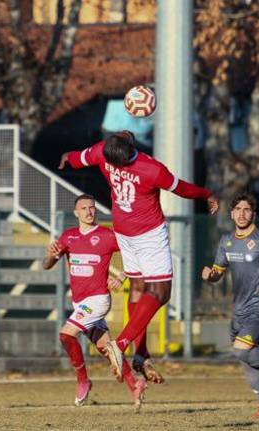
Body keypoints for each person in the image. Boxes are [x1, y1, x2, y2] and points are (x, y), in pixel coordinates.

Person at [58, 131, 219, 384]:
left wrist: (68, 157)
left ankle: (141, 354)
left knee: (138, 289)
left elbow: (79, 158)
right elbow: (183, 189)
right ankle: (119, 345)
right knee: (161, 292)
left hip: (123, 231)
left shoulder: (102, 151)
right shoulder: (151, 169)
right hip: (148, 236)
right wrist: (206, 194)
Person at [42, 194, 146, 409]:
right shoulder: (68, 237)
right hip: (79, 303)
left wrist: (122, 276)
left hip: (98, 300)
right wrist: (51, 256)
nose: (89, 212)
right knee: (107, 349)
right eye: (84, 208)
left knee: (65, 335)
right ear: (76, 212)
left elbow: (136, 252)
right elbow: (47, 265)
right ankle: (134, 385)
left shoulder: (107, 236)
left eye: (92, 208)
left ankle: (83, 380)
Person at [202, 192, 259, 418]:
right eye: (238, 210)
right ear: (232, 214)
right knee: (245, 357)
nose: (242, 214)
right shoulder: (226, 241)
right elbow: (218, 273)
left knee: (242, 349)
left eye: (247, 210)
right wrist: (209, 275)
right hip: (239, 309)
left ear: (253, 214)